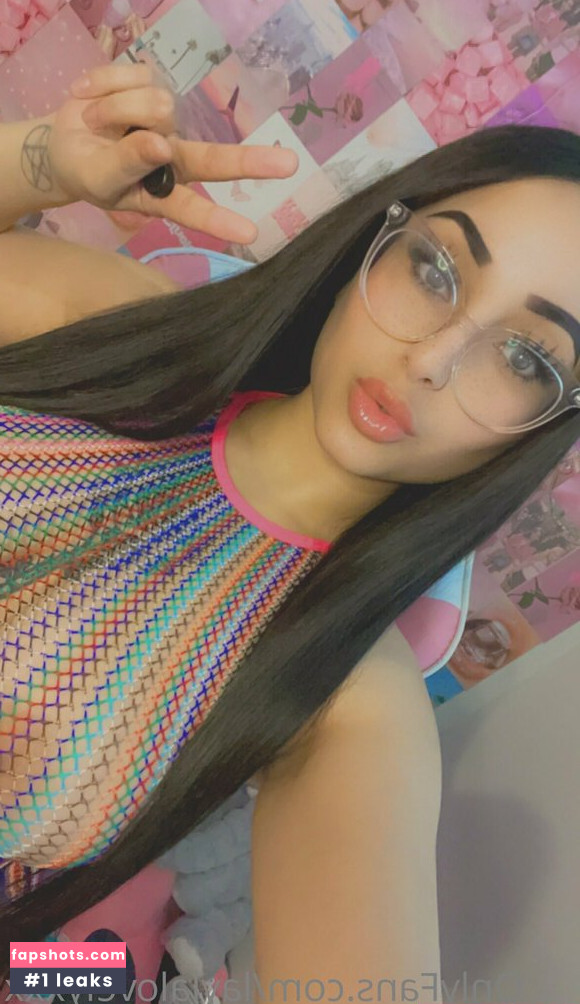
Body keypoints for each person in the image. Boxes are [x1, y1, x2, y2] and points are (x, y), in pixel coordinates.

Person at [1, 59, 580, 1001]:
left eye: (524, 357)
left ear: (545, 424)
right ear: (375, 246)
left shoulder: (352, 698)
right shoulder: (127, 333)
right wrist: (39, 162)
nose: (432, 360)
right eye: (435, 269)